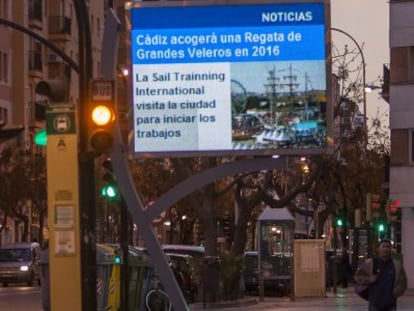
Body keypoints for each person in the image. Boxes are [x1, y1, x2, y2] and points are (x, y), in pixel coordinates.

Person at [354, 239, 407, 311]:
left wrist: (396, 293)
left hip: (390, 304)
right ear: (378, 249)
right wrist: (369, 279)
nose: (385, 249)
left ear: (390, 249)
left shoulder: (396, 265)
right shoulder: (370, 263)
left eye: (388, 247)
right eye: (383, 246)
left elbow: (403, 281)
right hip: (375, 303)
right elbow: (358, 276)